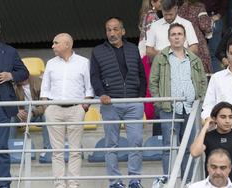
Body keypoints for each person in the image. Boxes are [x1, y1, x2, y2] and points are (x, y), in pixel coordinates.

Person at [90, 17, 146, 188]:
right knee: (111, 145)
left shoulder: (132, 49)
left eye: (115, 29)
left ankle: (135, 180)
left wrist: (140, 96)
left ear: (123, 31)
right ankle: (115, 182)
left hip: (133, 102)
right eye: (108, 30)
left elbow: (141, 75)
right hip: (110, 104)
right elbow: (95, 76)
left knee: (136, 142)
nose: (112, 33)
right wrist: (102, 94)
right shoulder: (98, 51)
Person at [149, 23, 207, 183]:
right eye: (173, 34)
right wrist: (160, 103)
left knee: (189, 147)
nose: (176, 37)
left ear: (184, 37)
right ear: (169, 37)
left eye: (179, 34)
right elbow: (153, 81)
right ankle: (168, 180)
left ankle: (187, 181)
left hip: (190, 109)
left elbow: (202, 80)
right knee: (168, 147)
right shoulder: (161, 57)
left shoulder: (194, 58)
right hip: (168, 108)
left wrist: (199, 100)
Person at [40, 33, 94, 188]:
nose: (52, 46)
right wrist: (46, 108)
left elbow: (89, 89)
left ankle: (73, 184)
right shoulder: (50, 63)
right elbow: (45, 89)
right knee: (56, 151)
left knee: (75, 150)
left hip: (76, 109)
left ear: (67, 45)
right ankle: (59, 184)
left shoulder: (84, 62)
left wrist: (84, 107)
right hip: (54, 109)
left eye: (55, 43)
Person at [0, 17, 29, 188]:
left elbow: (24, 72)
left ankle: (4, 186)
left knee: (1, 148)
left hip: (0, 106)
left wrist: (11, 76)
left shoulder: (9, 52)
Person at [191, 102, 232, 187]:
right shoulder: (208, 137)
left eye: (231, 117)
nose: (227, 121)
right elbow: (194, 152)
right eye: (223, 117)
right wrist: (205, 128)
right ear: (215, 118)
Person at [202, 37, 232, 141]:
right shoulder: (216, 78)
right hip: (221, 135)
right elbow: (208, 105)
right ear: (227, 54)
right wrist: (208, 119)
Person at [10, 75, 50, 150]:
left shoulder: (39, 83)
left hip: (36, 114)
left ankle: (47, 148)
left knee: (47, 117)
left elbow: (44, 105)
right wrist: (16, 111)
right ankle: (9, 147)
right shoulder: (13, 85)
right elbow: (9, 102)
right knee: (12, 118)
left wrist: (32, 113)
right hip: (22, 115)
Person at [178, 0, 213, 73]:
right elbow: (205, 26)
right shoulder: (200, 7)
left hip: (183, 42)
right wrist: (211, 21)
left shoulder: (180, 9)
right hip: (198, 41)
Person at [200, 0, 228, 72]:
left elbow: (224, 4)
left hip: (214, 17)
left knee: (214, 51)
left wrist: (219, 15)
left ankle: (216, 77)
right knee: (200, 52)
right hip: (198, 18)